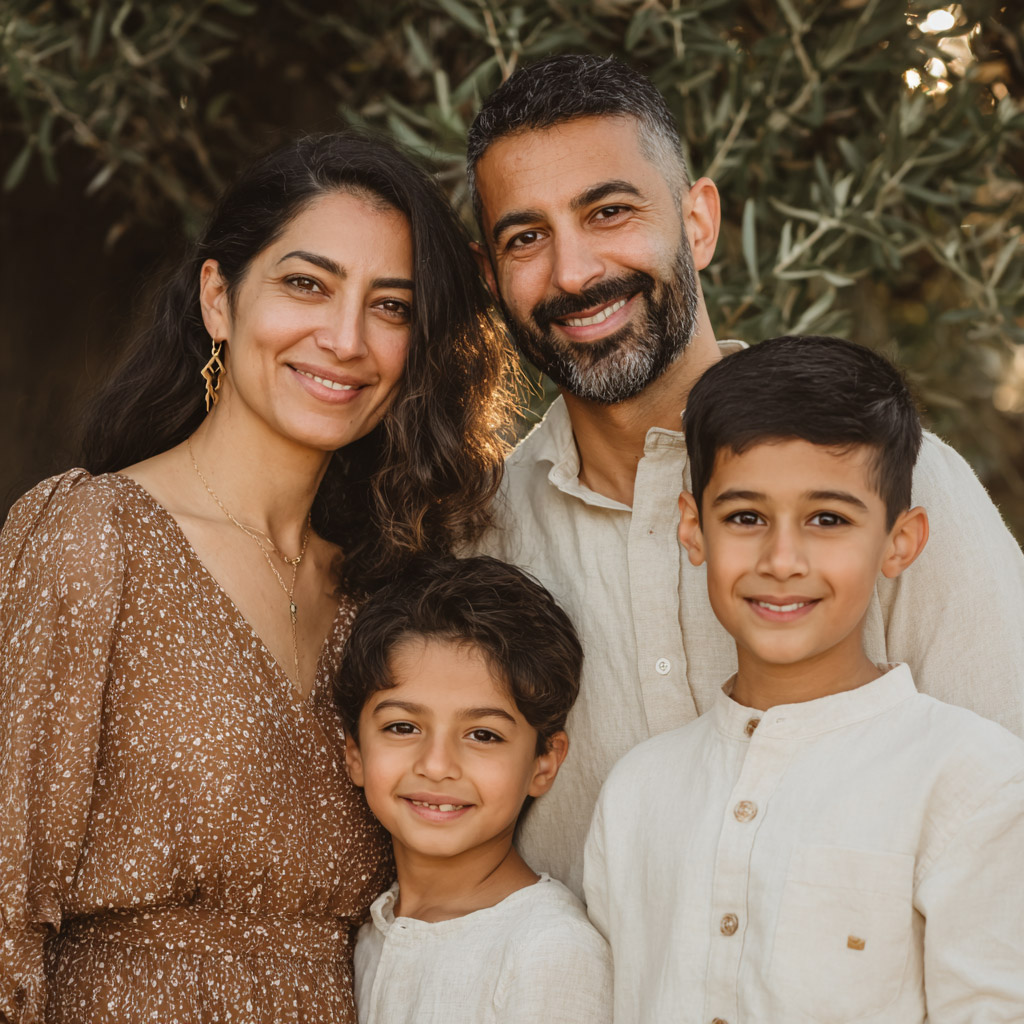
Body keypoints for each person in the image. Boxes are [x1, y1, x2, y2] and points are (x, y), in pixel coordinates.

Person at [467, 53, 1024, 896]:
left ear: (698, 223)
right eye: (526, 238)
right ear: (491, 277)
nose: (574, 273)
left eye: (609, 212)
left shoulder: (899, 485)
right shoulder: (478, 543)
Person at [0, 133, 514, 1023]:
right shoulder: (92, 537)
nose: (345, 339)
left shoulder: (389, 589)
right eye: (306, 284)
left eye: (390, 306)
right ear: (218, 299)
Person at [584, 334, 1024, 1023]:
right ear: (693, 530)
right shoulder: (637, 794)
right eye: (746, 517)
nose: (782, 558)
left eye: (827, 519)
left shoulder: (971, 781)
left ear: (899, 542)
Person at [334, 556, 612, 1024]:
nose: (437, 765)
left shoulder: (550, 951)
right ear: (355, 753)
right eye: (402, 727)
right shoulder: (365, 935)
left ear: (545, 762)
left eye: (483, 735)